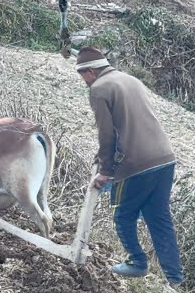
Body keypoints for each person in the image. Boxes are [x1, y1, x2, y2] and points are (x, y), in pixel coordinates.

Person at [76, 47, 183, 286]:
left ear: (90, 71)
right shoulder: (131, 80)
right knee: (159, 217)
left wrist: (105, 171)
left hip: (137, 163)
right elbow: (130, 123)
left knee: (123, 215)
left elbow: (106, 134)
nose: (83, 80)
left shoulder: (99, 89)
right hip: (165, 158)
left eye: (81, 74)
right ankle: (175, 277)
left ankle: (137, 262)